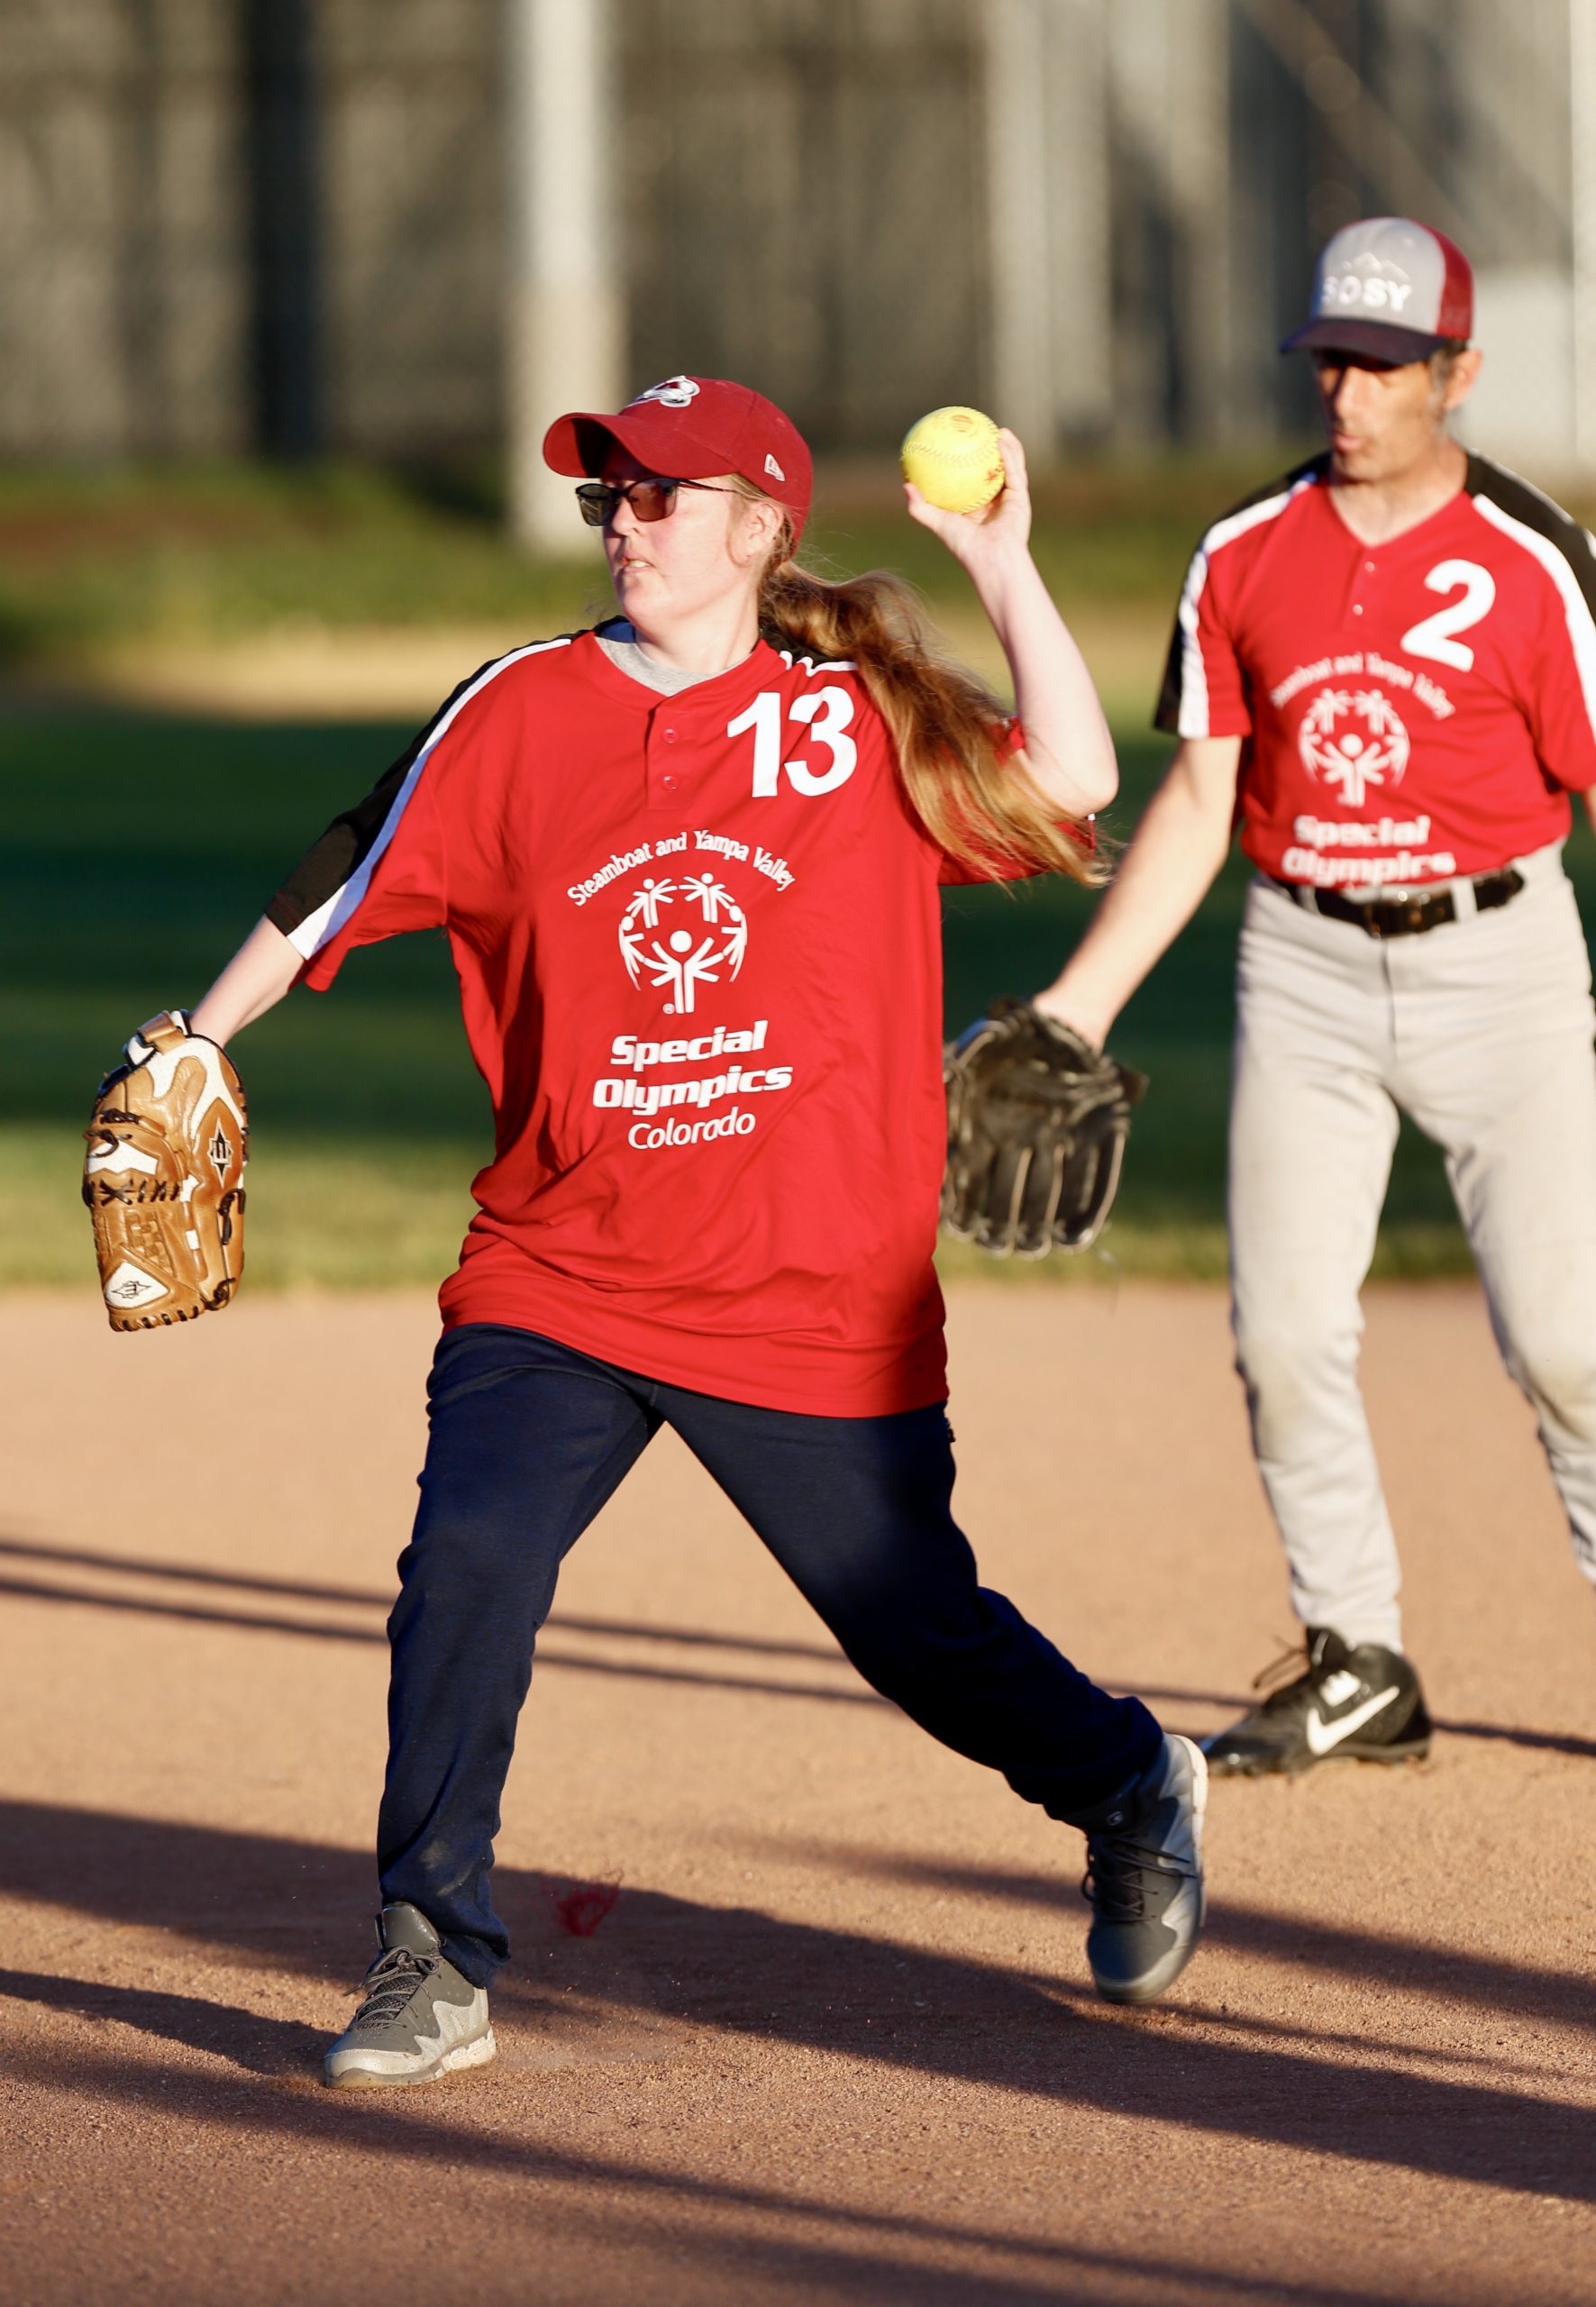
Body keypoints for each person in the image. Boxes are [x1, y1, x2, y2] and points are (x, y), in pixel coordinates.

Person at [169, 374, 1207, 2084]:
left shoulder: (853, 715)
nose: (626, 519)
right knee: (469, 1567)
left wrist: (1002, 563)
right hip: (561, 1269)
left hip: (809, 1292)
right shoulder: (519, 707)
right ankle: (430, 1958)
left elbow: (1076, 774)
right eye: (613, 490)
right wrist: (204, 1039)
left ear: (758, 526)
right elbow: (347, 868)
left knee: (914, 1629)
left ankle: (1123, 1782)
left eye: (663, 493)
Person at [1035, 218, 1596, 1776]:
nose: (1346, 393)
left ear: (1458, 374)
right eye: (1331, 360)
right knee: (1283, 1335)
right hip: (1304, 963)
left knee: (1572, 1346)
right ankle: (1360, 1655)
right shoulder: (1241, 556)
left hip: (1506, 967)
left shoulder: (1536, 562)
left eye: (1384, 365)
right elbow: (1203, 802)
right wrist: (1081, 1005)